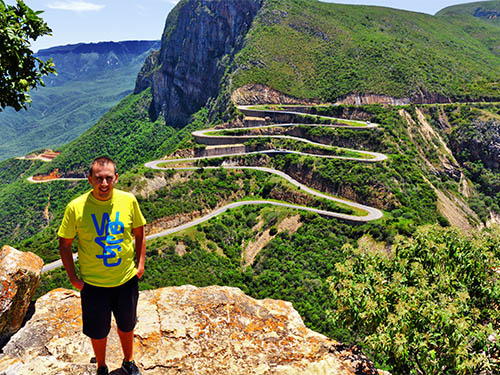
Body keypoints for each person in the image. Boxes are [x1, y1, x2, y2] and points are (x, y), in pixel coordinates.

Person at [58, 156, 146, 375]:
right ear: (90, 179)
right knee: (98, 332)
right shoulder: (76, 208)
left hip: (126, 279)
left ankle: (128, 362)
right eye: (99, 178)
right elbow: (65, 245)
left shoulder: (128, 200)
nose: (104, 184)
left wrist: (140, 264)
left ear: (116, 178)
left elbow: (140, 231)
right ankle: (101, 367)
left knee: (127, 325)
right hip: (94, 284)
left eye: (108, 178)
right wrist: (74, 279)